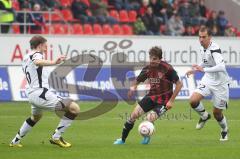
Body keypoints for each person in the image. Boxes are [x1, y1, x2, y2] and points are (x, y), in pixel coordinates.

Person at [10, 35, 80, 148]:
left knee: (35, 117)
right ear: (40, 45)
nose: (46, 47)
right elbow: (37, 61)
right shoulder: (36, 54)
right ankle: (56, 137)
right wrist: (54, 62)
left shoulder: (25, 57)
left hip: (32, 94)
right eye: (45, 45)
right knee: (74, 108)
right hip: (40, 93)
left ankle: (15, 141)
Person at [114, 46, 183, 145]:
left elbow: (179, 84)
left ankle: (147, 136)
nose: (152, 61)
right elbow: (137, 80)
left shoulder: (167, 69)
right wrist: (133, 88)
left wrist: (171, 101)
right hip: (151, 97)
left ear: (160, 59)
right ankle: (122, 140)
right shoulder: (147, 69)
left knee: (149, 118)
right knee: (133, 116)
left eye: (154, 59)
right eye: (150, 58)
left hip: (164, 101)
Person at [186, 26, 229, 141]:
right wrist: (195, 69)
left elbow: (221, 66)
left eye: (204, 37)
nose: (201, 39)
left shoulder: (214, 48)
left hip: (221, 83)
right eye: (199, 37)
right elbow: (206, 62)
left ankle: (224, 130)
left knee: (217, 113)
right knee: (193, 100)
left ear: (210, 37)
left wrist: (203, 70)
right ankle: (204, 116)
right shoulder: (202, 48)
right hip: (208, 79)